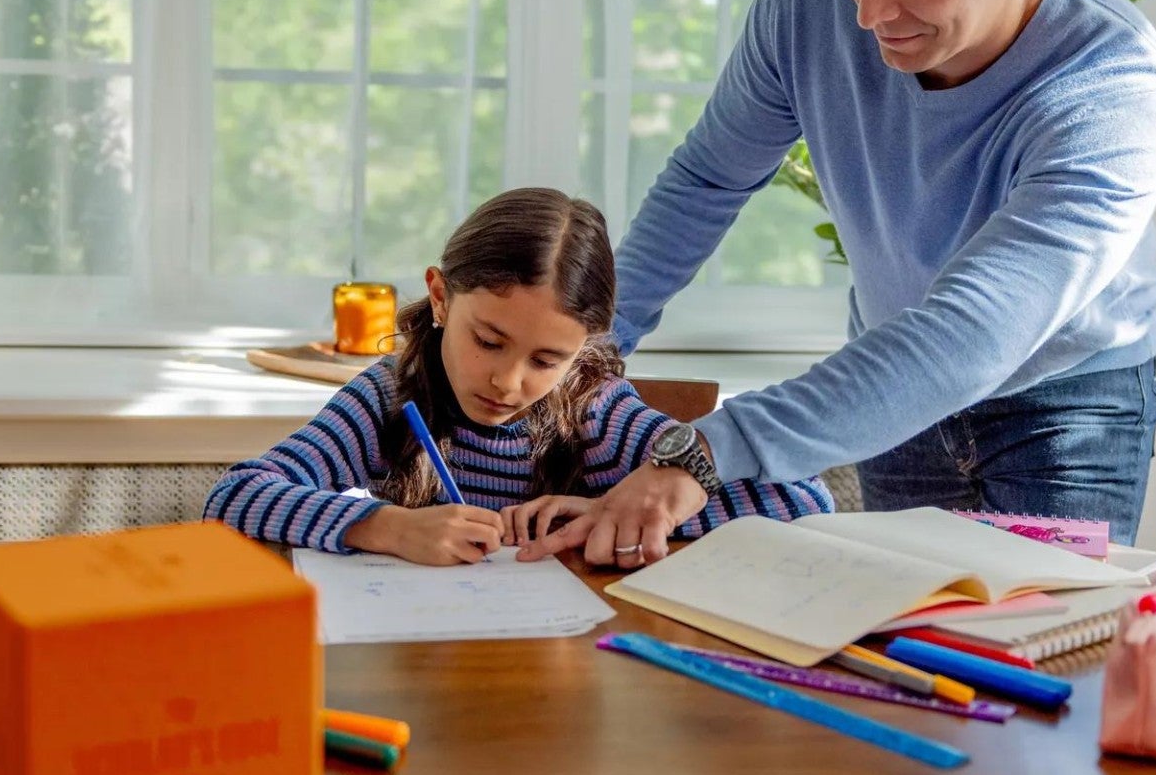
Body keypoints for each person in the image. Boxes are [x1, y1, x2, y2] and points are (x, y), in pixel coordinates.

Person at [523, 0, 1156, 566]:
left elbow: (969, 337)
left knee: (1042, 661)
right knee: (892, 650)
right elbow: (710, 177)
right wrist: (587, 345)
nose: (869, 11)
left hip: (1065, 408)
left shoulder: (1114, 91)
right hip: (888, 380)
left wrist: (702, 454)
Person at [204, 188, 832, 565]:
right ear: (441, 297)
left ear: (584, 349)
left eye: (546, 361)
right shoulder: (388, 397)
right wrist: (387, 528)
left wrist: (613, 515)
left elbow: (806, 500)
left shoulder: (599, 415)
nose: (508, 382)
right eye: (488, 341)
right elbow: (234, 496)